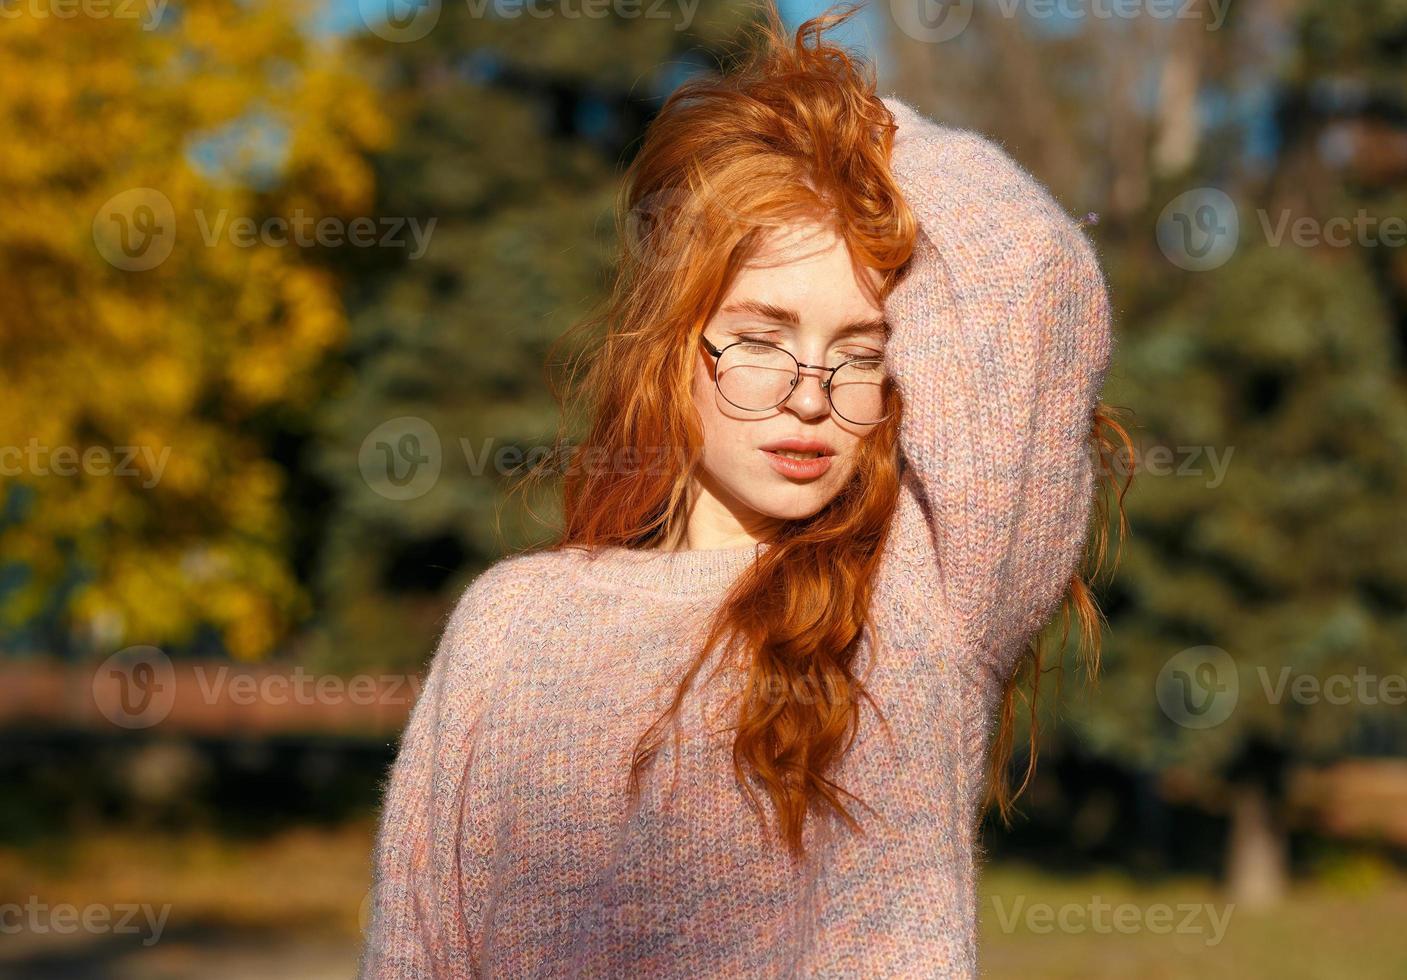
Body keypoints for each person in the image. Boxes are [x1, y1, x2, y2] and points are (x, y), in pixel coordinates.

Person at [359, 2, 1127, 976]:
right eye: (762, 339)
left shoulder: (918, 609)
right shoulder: (512, 626)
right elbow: (417, 950)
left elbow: (1031, 268)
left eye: (856, 356)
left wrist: (838, 125)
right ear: (671, 345)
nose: (812, 397)